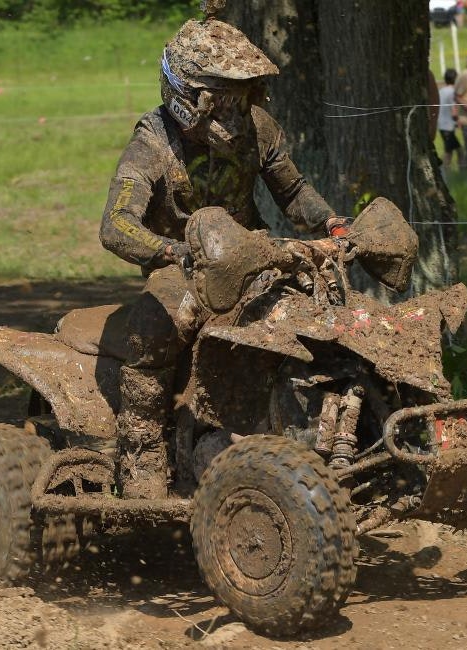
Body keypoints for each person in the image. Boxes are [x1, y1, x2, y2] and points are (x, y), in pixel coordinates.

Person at [90, 5, 347, 498]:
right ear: (189, 98)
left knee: (329, 309)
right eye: (225, 100)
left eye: (244, 98)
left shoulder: (260, 128)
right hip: (184, 269)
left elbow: (293, 193)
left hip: (255, 255)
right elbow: (116, 224)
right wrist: (175, 252)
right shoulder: (153, 143)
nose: (237, 112)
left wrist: (333, 223)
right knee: (157, 328)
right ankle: (143, 456)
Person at [437, 68, 462, 169]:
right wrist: (459, 121)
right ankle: (444, 173)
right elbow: (454, 111)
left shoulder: (441, 91)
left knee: (451, 151)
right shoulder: (452, 92)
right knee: (453, 152)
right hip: (447, 127)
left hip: (441, 125)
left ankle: (447, 173)